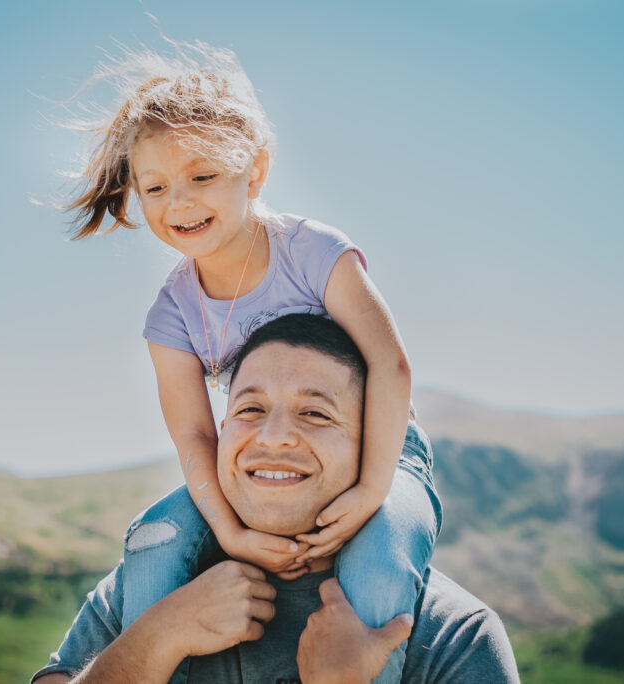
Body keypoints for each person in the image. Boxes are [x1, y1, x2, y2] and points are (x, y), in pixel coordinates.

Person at [63, 43, 439, 682]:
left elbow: (391, 365)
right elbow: (193, 434)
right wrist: (230, 533)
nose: (179, 203)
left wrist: (374, 488)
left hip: (383, 445)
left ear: (255, 171)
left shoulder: (312, 252)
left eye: (203, 177)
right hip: (253, 457)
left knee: (379, 561)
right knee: (154, 540)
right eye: (155, 188)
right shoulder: (172, 314)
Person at [31, 314, 520, 683]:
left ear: (376, 444)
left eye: (315, 414)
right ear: (222, 434)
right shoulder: (142, 591)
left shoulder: (455, 634)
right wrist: (156, 640)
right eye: (251, 408)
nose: (274, 436)